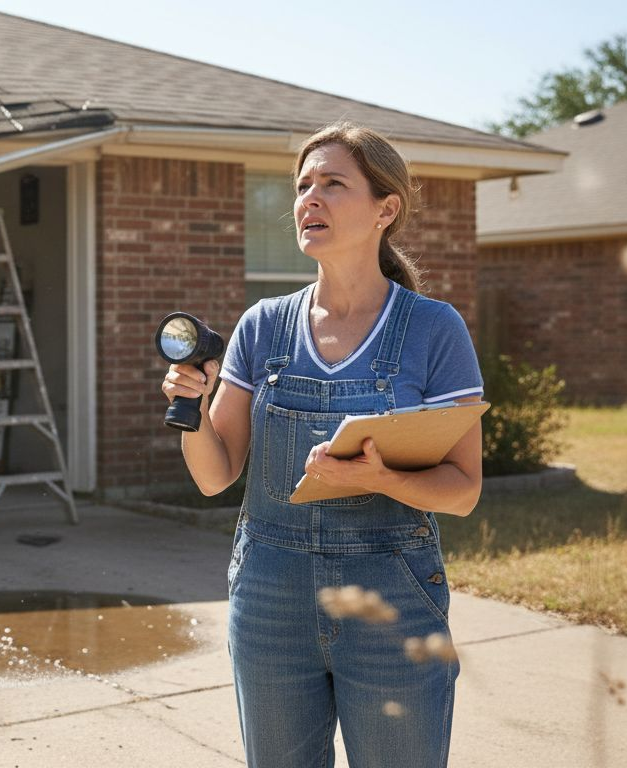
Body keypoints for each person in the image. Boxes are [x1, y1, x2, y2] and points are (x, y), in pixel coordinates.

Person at [161, 120, 484, 768]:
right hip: (270, 593)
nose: (310, 198)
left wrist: (379, 477)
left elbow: (464, 490)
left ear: (384, 209)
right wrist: (190, 410)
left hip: (391, 593)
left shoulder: (433, 328)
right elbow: (214, 475)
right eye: (303, 185)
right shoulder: (263, 326)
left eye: (333, 184)